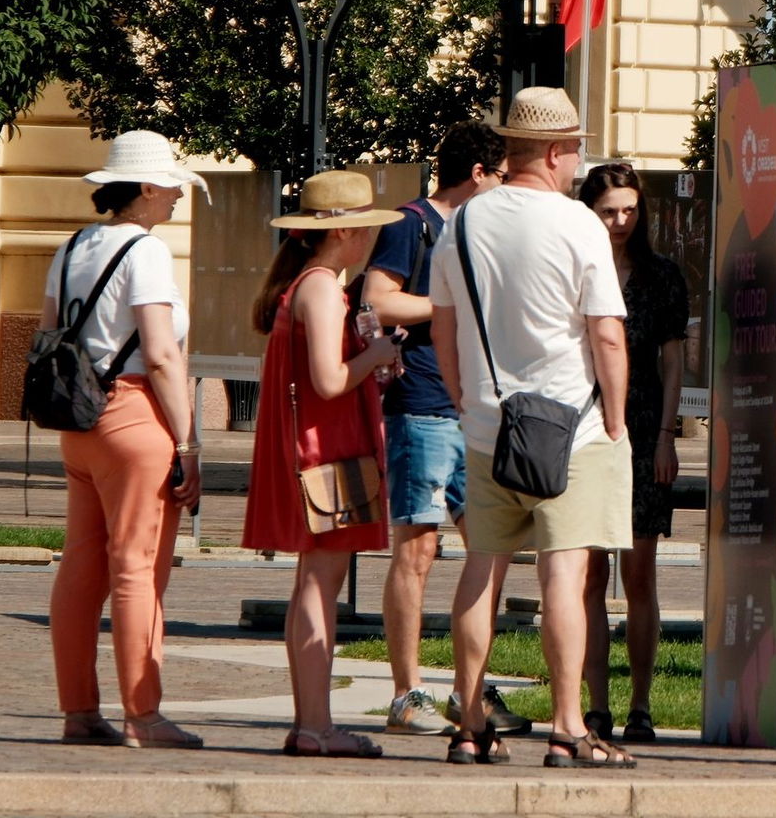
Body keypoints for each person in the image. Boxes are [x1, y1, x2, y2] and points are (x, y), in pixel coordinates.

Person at [432, 87, 637, 769]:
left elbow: (444, 324)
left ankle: (468, 722)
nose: (580, 162)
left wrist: (466, 400)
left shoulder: (460, 223)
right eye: (577, 149)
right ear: (553, 152)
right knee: (564, 574)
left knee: (480, 571)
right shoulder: (578, 224)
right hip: (570, 427)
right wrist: (615, 417)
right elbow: (606, 334)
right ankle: (568, 725)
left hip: (490, 429)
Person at [47, 131, 209, 749]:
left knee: (82, 566)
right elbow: (163, 354)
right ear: (144, 187)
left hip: (80, 418)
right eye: (170, 186)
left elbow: (47, 334)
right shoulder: (145, 252)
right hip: (137, 416)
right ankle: (145, 715)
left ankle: (79, 712)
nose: (175, 198)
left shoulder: (71, 248)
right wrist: (189, 443)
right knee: (138, 570)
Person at [240, 170, 403, 757]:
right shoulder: (321, 288)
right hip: (326, 454)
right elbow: (330, 381)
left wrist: (368, 359)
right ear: (348, 233)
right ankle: (315, 726)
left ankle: (310, 721)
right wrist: (378, 354)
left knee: (310, 584)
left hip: (313, 450)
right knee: (318, 586)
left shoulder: (308, 284)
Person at [361, 123, 512, 738]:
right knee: (417, 549)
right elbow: (378, 300)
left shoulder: (486, 229)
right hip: (421, 404)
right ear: (478, 172)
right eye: (501, 174)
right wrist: (448, 305)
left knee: (490, 548)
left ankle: (468, 691)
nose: (506, 186)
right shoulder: (410, 222)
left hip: (476, 409)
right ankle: (406, 692)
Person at [577, 162, 690, 744]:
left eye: (629, 210)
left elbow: (674, 362)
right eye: (608, 211)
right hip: (585, 425)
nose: (621, 221)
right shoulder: (577, 266)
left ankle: (641, 705)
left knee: (640, 574)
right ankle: (596, 706)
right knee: (590, 574)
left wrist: (668, 434)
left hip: (646, 428)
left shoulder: (661, 275)